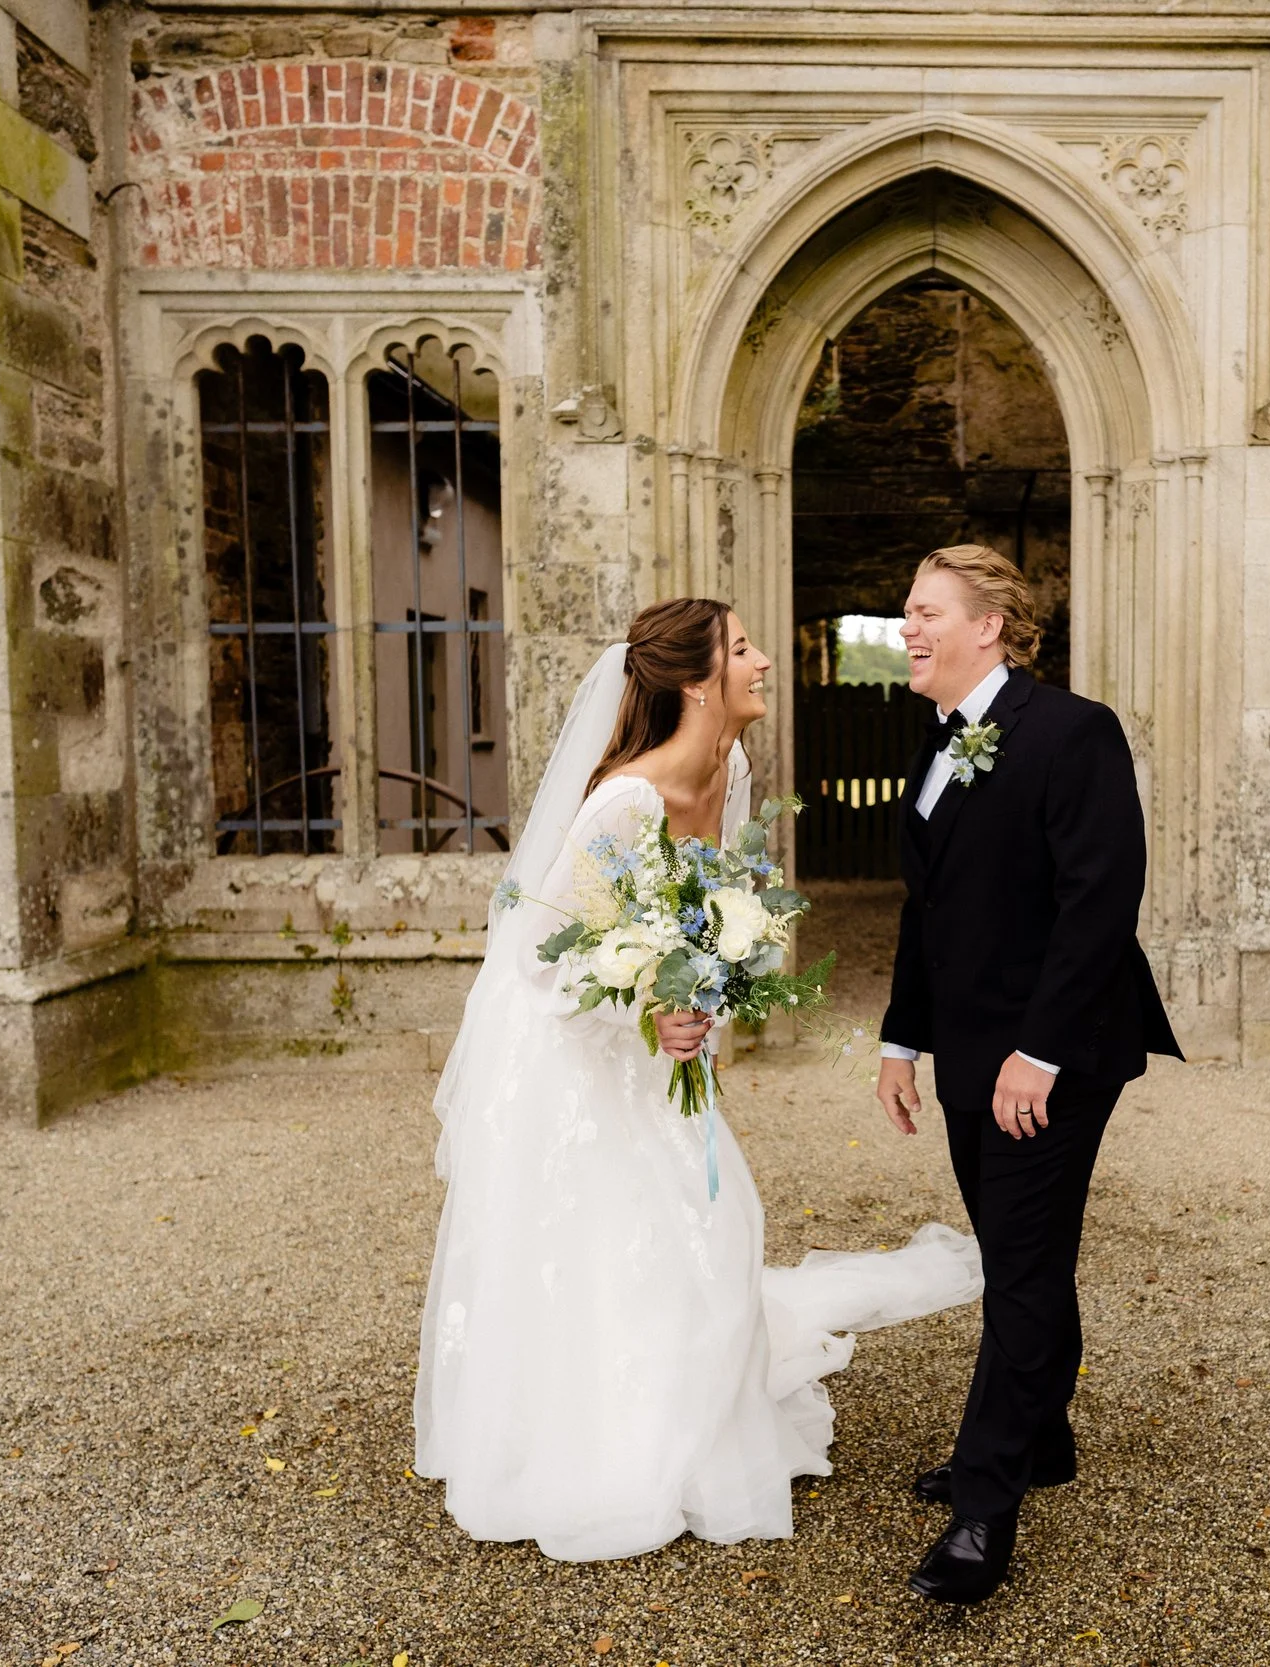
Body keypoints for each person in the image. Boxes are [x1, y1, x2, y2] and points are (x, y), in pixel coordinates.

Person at [416, 597, 981, 1562]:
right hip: (581, 1056)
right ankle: (608, 1440)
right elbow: (546, 957)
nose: (764, 662)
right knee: (621, 1226)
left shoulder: (735, 768)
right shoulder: (624, 803)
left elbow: (720, 913)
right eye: (745, 649)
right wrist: (647, 1007)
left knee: (711, 1220)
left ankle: (692, 1406)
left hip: (668, 1048)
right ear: (695, 681)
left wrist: (715, 985)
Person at [876, 545, 1182, 1603]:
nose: (905, 628)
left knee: (1018, 1266)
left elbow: (1102, 898)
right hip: (965, 1051)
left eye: (924, 612)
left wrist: (1037, 1052)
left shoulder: (1072, 731)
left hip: (1055, 1053)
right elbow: (930, 906)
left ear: (989, 624)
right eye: (903, 614)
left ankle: (984, 1505)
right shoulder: (937, 741)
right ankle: (1043, 1436)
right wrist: (898, 1037)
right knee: (1025, 1252)